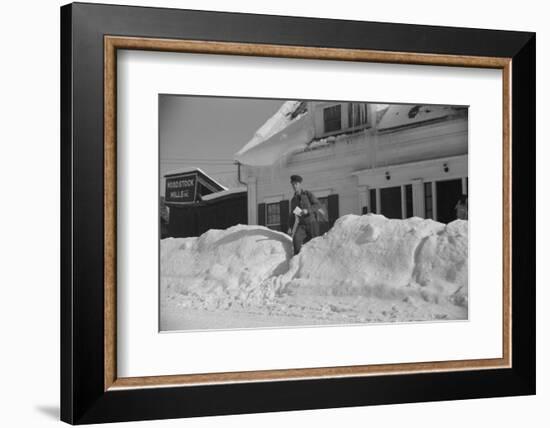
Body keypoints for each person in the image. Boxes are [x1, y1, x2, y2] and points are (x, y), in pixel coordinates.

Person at [287, 175, 321, 254]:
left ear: (300, 184)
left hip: (312, 223)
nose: (294, 186)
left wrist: (308, 210)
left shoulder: (307, 194)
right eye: (293, 184)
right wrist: (290, 228)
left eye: (296, 184)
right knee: (296, 239)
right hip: (302, 225)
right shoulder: (293, 200)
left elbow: (318, 205)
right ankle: (297, 260)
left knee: (315, 245)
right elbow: (292, 216)